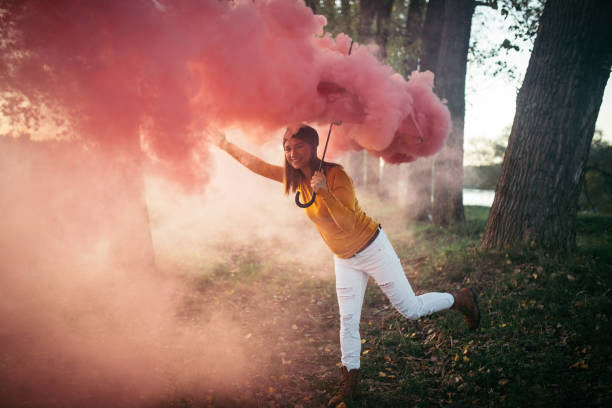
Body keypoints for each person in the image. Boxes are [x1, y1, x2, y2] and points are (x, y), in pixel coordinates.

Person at [208, 125, 480, 407]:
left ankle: (461, 299)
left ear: (313, 147)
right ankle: (349, 386)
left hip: (373, 249)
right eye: (287, 148)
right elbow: (259, 166)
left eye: (298, 146)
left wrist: (324, 192)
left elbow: (348, 224)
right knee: (348, 321)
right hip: (344, 259)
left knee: (410, 309)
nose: (291, 153)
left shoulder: (336, 176)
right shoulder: (295, 178)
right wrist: (225, 144)